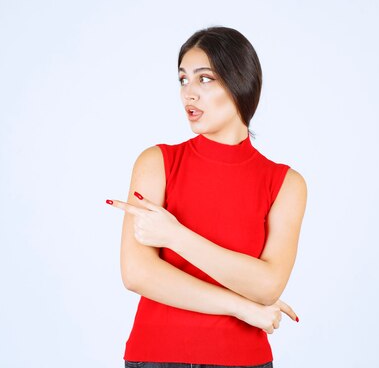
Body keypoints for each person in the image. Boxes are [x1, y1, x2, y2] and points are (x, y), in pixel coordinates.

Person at [106, 26, 308, 368]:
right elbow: (137, 274)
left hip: (242, 360)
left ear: (239, 81)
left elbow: (267, 286)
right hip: (156, 356)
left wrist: (174, 235)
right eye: (183, 80)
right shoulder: (157, 162)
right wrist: (241, 306)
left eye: (205, 79)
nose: (189, 94)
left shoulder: (285, 183)